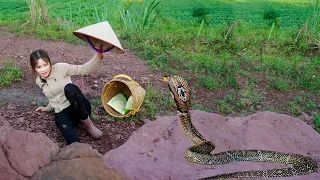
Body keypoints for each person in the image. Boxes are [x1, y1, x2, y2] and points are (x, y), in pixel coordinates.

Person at [30, 49, 104, 145]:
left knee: (70, 89)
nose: (43, 69)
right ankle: (79, 149)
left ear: (49, 62)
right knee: (61, 123)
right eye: (39, 67)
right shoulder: (39, 81)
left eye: (45, 65)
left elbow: (84, 69)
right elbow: (53, 97)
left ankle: (89, 126)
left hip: (80, 107)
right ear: (34, 68)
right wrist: (48, 107)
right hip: (64, 112)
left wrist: (98, 56)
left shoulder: (60, 68)